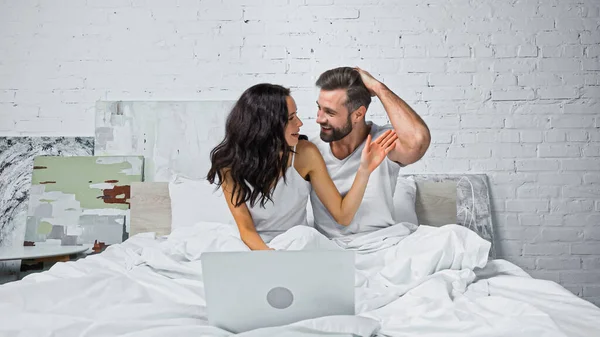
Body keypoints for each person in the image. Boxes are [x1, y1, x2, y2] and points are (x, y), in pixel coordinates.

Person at [207, 83, 398, 251]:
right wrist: (268, 257)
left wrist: (365, 169)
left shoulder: (305, 154)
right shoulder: (229, 165)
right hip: (253, 244)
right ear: (267, 126)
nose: (300, 123)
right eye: (291, 118)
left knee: (304, 235)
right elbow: (246, 229)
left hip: (294, 243)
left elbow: (343, 216)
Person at [310, 67, 431, 241]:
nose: (319, 118)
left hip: (381, 242)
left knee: (455, 236)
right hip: (330, 247)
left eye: (330, 112)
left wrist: (378, 88)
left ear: (358, 114)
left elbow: (418, 141)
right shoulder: (311, 150)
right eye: (319, 108)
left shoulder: (384, 140)